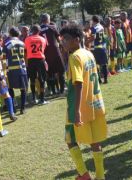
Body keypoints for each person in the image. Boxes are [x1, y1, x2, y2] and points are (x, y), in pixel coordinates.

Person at [60, 23, 107, 180]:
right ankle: (100, 176)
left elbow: (78, 83)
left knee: (70, 139)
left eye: (66, 39)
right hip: (95, 104)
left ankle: (84, 175)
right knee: (95, 141)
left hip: (78, 107)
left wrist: (77, 110)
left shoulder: (74, 57)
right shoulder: (88, 53)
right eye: (62, 40)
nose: (63, 42)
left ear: (76, 39)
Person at [3, 27, 28, 114]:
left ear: (10, 34)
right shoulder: (22, 43)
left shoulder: (7, 43)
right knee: (23, 89)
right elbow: (25, 56)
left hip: (11, 69)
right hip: (22, 68)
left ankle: (13, 108)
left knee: (10, 88)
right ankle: (23, 108)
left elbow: (3, 57)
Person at [39, 13, 66, 95]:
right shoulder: (52, 27)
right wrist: (63, 48)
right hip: (55, 52)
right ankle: (61, 90)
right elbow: (59, 40)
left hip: (45, 53)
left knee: (49, 73)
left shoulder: (39, 29)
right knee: (61, 71)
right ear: (48, 19)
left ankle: (53, 91)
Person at [24, 25, 48, 105]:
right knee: (42, 80)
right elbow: (44, 49)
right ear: (39, 31)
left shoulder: (27, 39)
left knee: (32, 79)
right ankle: (42, 98)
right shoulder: (43, 39)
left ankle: (34, 98)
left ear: (31, 30)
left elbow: (26, 50)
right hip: (40, 60)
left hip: (31, 60)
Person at [89, 15, 109, 84]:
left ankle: (99, 79)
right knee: (104, 64)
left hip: (95, 48)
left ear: (93, 20)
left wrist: (87, 41)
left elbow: (93, 37)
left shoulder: (94, 28)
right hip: (102, 47)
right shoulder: (101, 26)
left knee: (96, 64)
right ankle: (105, 79)